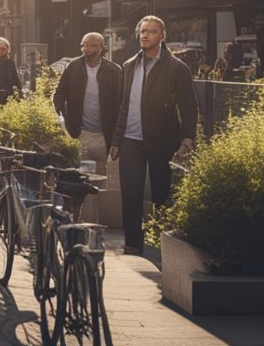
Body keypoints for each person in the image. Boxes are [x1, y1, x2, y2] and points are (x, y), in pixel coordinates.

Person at [109, 16, 198, 255]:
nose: (145, 35)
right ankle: (132, 245)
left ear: (162, 35)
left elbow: (189, 106)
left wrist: (187, 139)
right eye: (142, 31)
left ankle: (159, 243)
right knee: (131, 193)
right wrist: (116, 141)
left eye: (151, 31)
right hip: (131, 140)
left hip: (162, 139)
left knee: (161, 193)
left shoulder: (177, 68)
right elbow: (123, 106)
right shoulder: (129, 66)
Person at [53, 32, 123, 181]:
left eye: (92, 45)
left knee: (103, 181)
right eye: (85, 45)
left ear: (101, 48)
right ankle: (86, 205)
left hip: (105, 137)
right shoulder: (73, 67)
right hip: (81, 135)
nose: (88, 49)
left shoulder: (114, 71)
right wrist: (64, 121)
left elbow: (122, 104)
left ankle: (100, 204)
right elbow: (59, 94)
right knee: (84, 179)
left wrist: (117, 139)